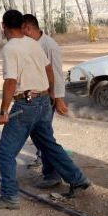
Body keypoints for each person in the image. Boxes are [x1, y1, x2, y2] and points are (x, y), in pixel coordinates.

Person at [0, 10, 90, 210]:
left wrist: (3, 111)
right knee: (48, 144)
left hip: (26, 104)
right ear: (21, 25)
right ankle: (77, 179)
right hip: (42, 101)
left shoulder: (10, 48)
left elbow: (10, 82)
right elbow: (49, 70)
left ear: (4, 26)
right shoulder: (33, 43)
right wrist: (50, 94)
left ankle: (9, 196)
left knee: (5, 151)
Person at [22, 14, 67, 189]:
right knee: (40, 135)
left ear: (28, 28)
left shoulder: (50, 46)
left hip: (47, 98)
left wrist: (59, 99)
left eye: (22, 30)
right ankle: (48, 166)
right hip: (35, 98)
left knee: (45, 136)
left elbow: (57, 73)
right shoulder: (31, 45)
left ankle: (53, 174)